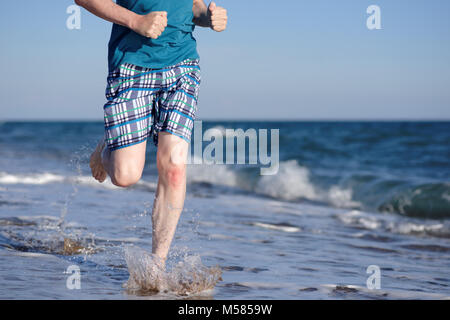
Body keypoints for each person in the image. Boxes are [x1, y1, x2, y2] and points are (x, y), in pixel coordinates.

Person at [74, 0, 227, 264]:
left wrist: (208, 17)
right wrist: (136, 21)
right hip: (133, 66)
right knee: (125, 176)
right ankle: (108, 145)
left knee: (175, 166)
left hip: (182, 65)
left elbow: (192, 6)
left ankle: (158, 263)